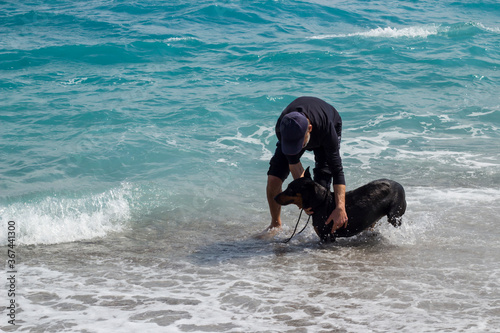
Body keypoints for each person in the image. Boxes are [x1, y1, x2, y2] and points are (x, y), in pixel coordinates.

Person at [265, 96, 348, 235]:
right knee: (274, 177)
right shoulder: (283, 127)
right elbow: (294, 163)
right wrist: (304, 200)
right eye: (293, 145)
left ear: (309, 128)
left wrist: (340, 206)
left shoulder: (326, 129)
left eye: (299, 143)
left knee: (321, 186)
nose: (296, 148)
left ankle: (324, 230)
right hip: (296, 133)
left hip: (327, 128)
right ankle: (275, 224)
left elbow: (337, 170)